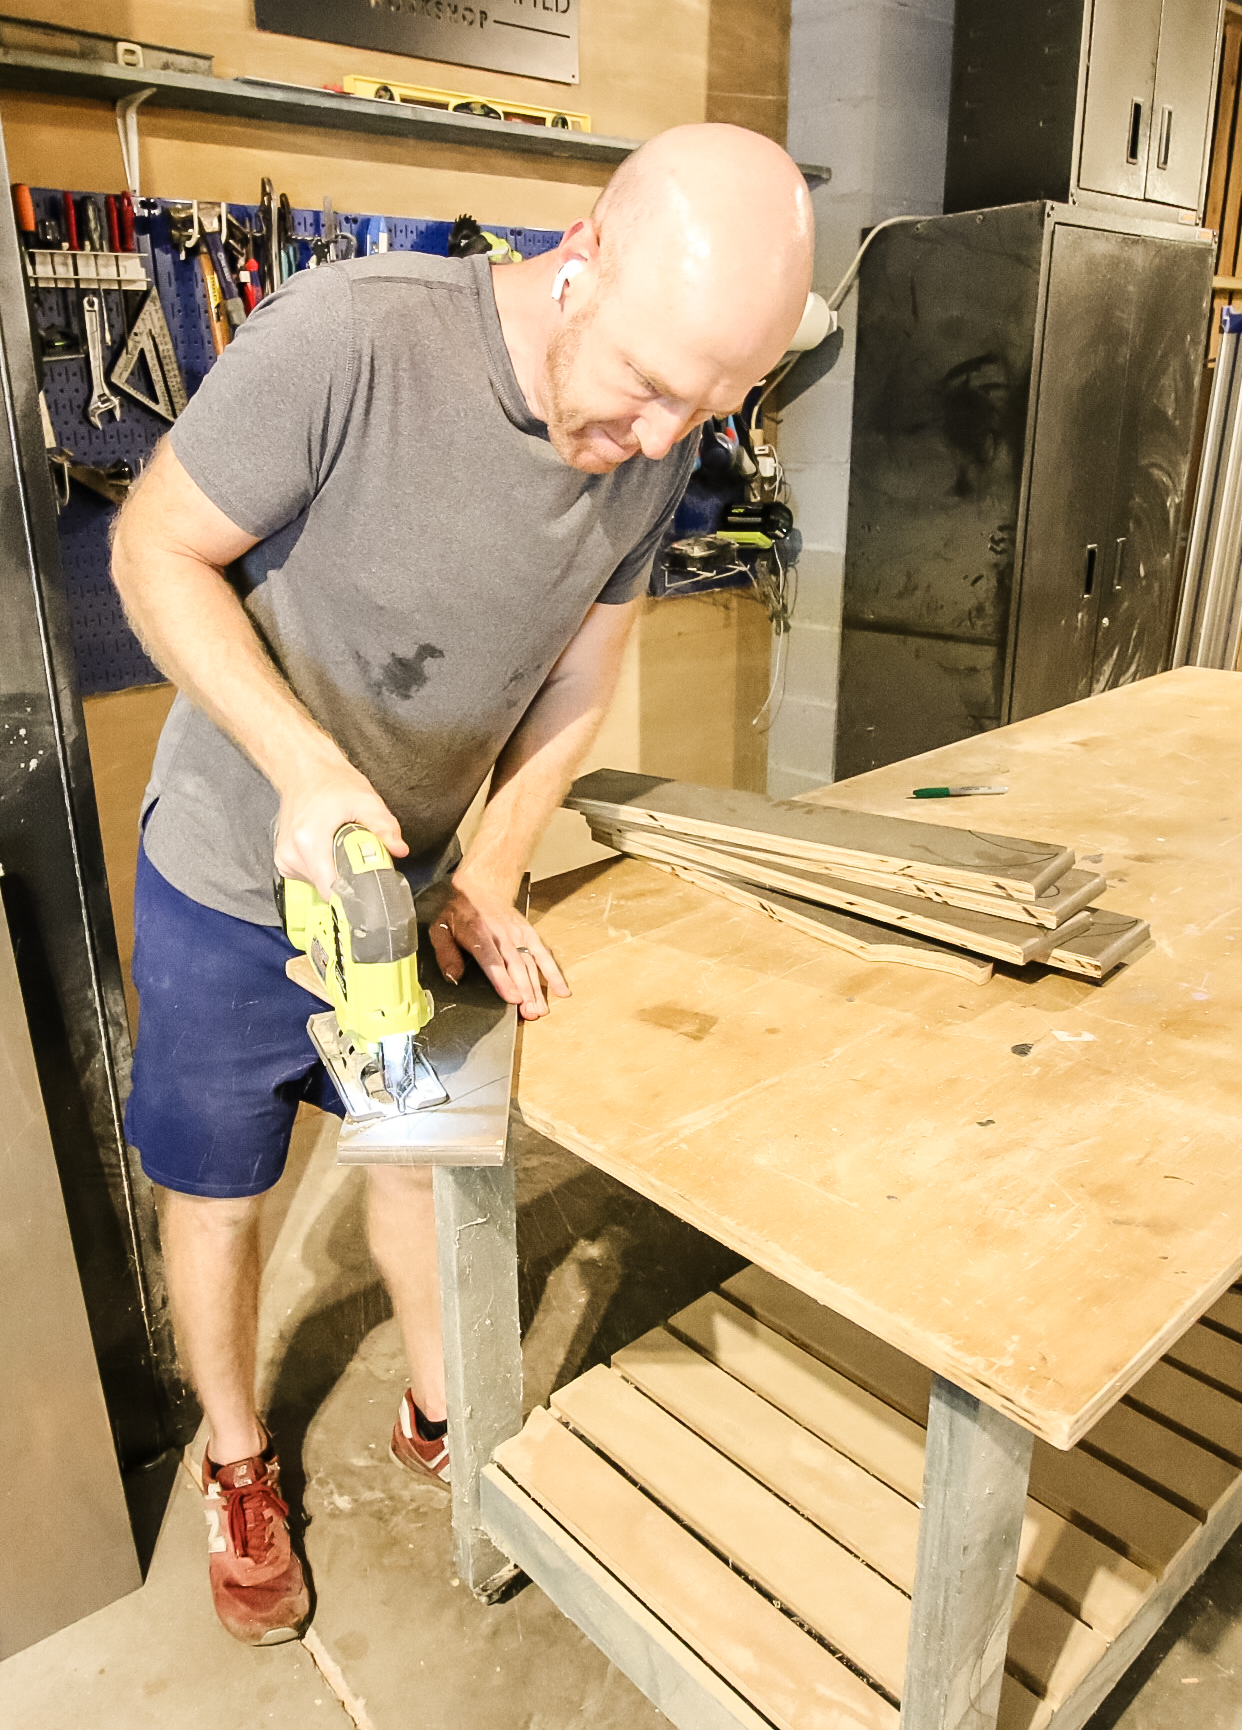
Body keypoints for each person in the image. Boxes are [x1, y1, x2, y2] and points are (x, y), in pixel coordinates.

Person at [110, 123, 814, 1646]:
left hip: (407, 891)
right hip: (237, 875)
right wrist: (304, 767)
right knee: (220, 1193)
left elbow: (584, 666)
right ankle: (238, 1462)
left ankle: (447, 1410)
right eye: (643, 384)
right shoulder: (349, 342)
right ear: (584, 259)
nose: (654, 437)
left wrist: (487, 863)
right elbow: (152, 548)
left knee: (419, 1159)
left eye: (701, 406)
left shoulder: (669, 429)